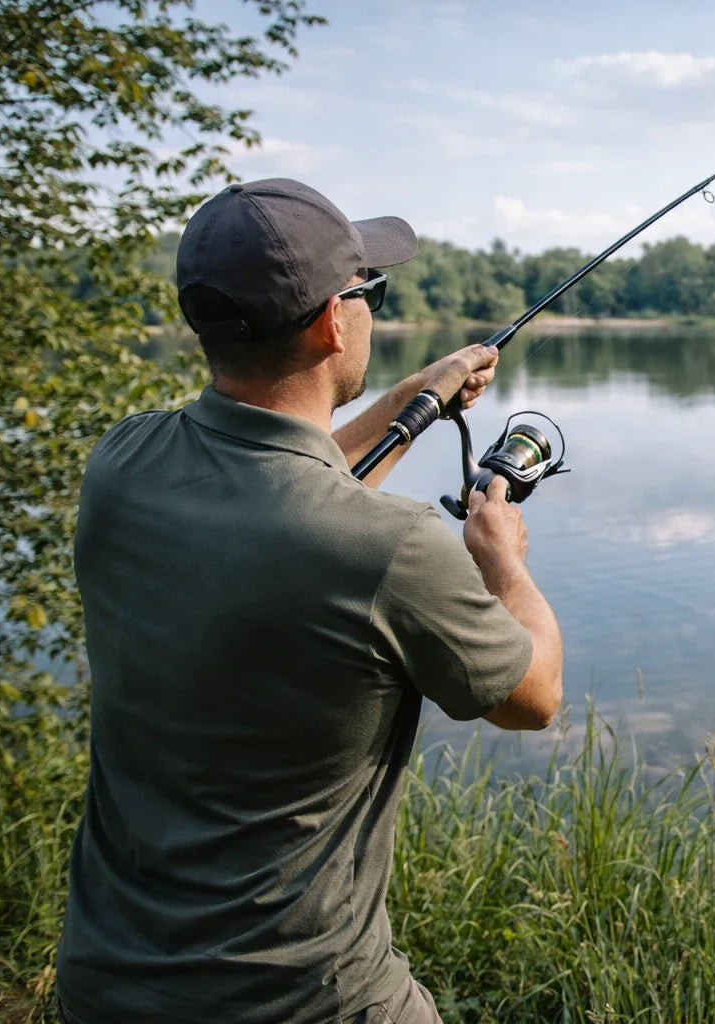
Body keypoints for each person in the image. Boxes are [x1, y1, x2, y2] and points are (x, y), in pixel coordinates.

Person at [54, 178, 563, 1024]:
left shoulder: (123, 464)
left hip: (109, 986)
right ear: (335, 320)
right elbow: (532, 697)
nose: (372, 308)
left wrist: (413, 399)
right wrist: (504, 562)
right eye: (372, 291)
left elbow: (286, 480)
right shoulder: (390, 549)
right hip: (306, 1001)